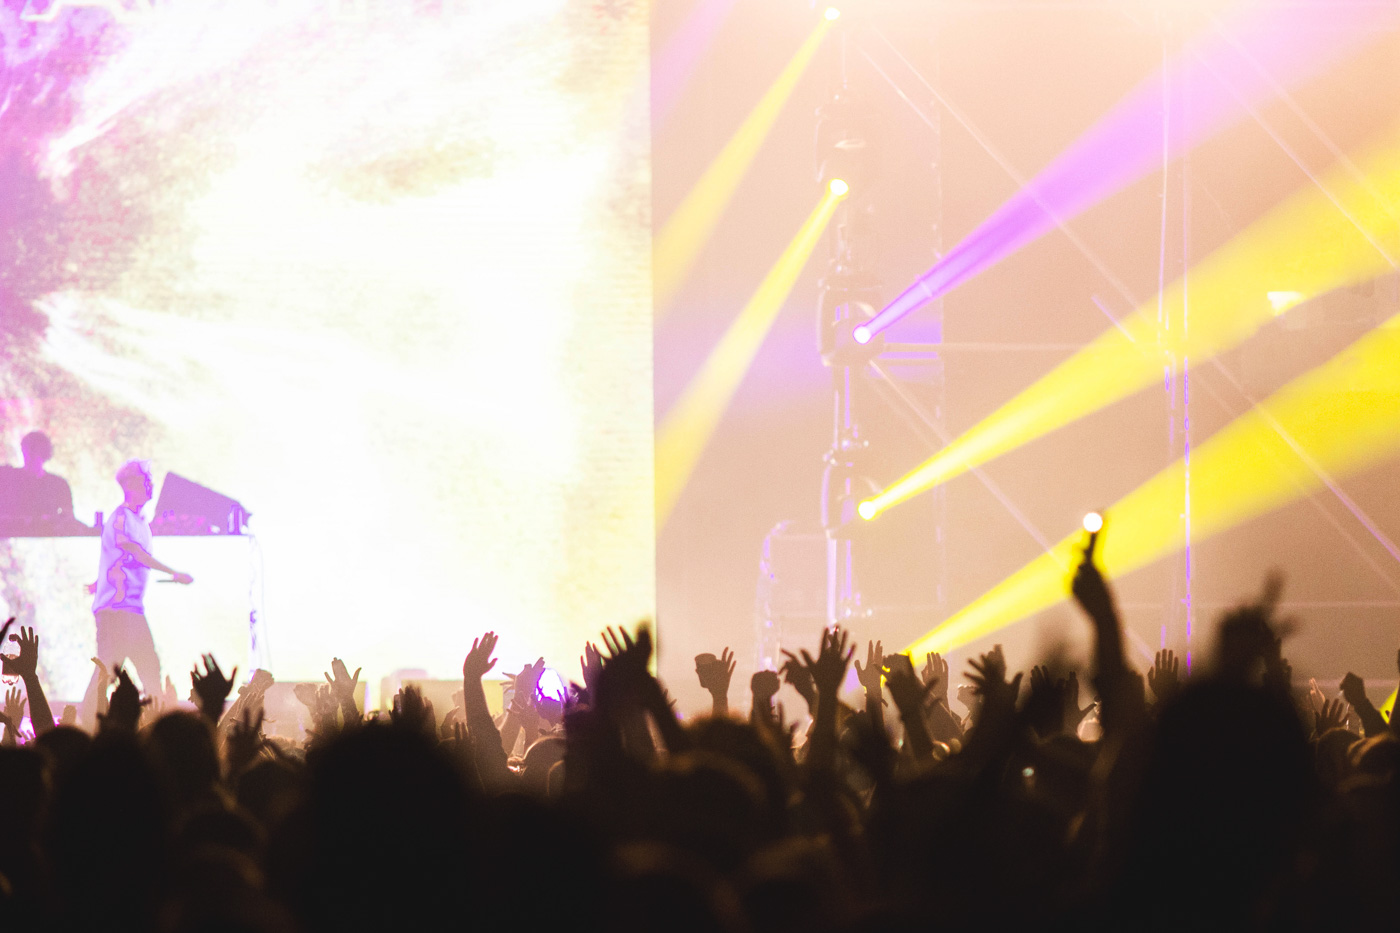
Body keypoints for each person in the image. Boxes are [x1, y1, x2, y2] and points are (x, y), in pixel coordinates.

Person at [81, 460, 193, 721]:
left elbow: (118, 560)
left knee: (143, 668)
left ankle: (149, 723)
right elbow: (135, 553)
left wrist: (99, 583)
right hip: (117, 612)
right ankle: (86, 722)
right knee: (110, 670)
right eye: (145, 479)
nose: (150, 484)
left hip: (129, 610)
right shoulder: (121, 518)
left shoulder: (140, 522)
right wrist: (173, 572)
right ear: (131, 484)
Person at [0, 430, 75, 524]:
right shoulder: (9, 479)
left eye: (34, 450)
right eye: (27, 449)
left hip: (48, 536)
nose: (29, 454)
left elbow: (69, 520)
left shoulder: (58, 484)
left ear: (44, 452)